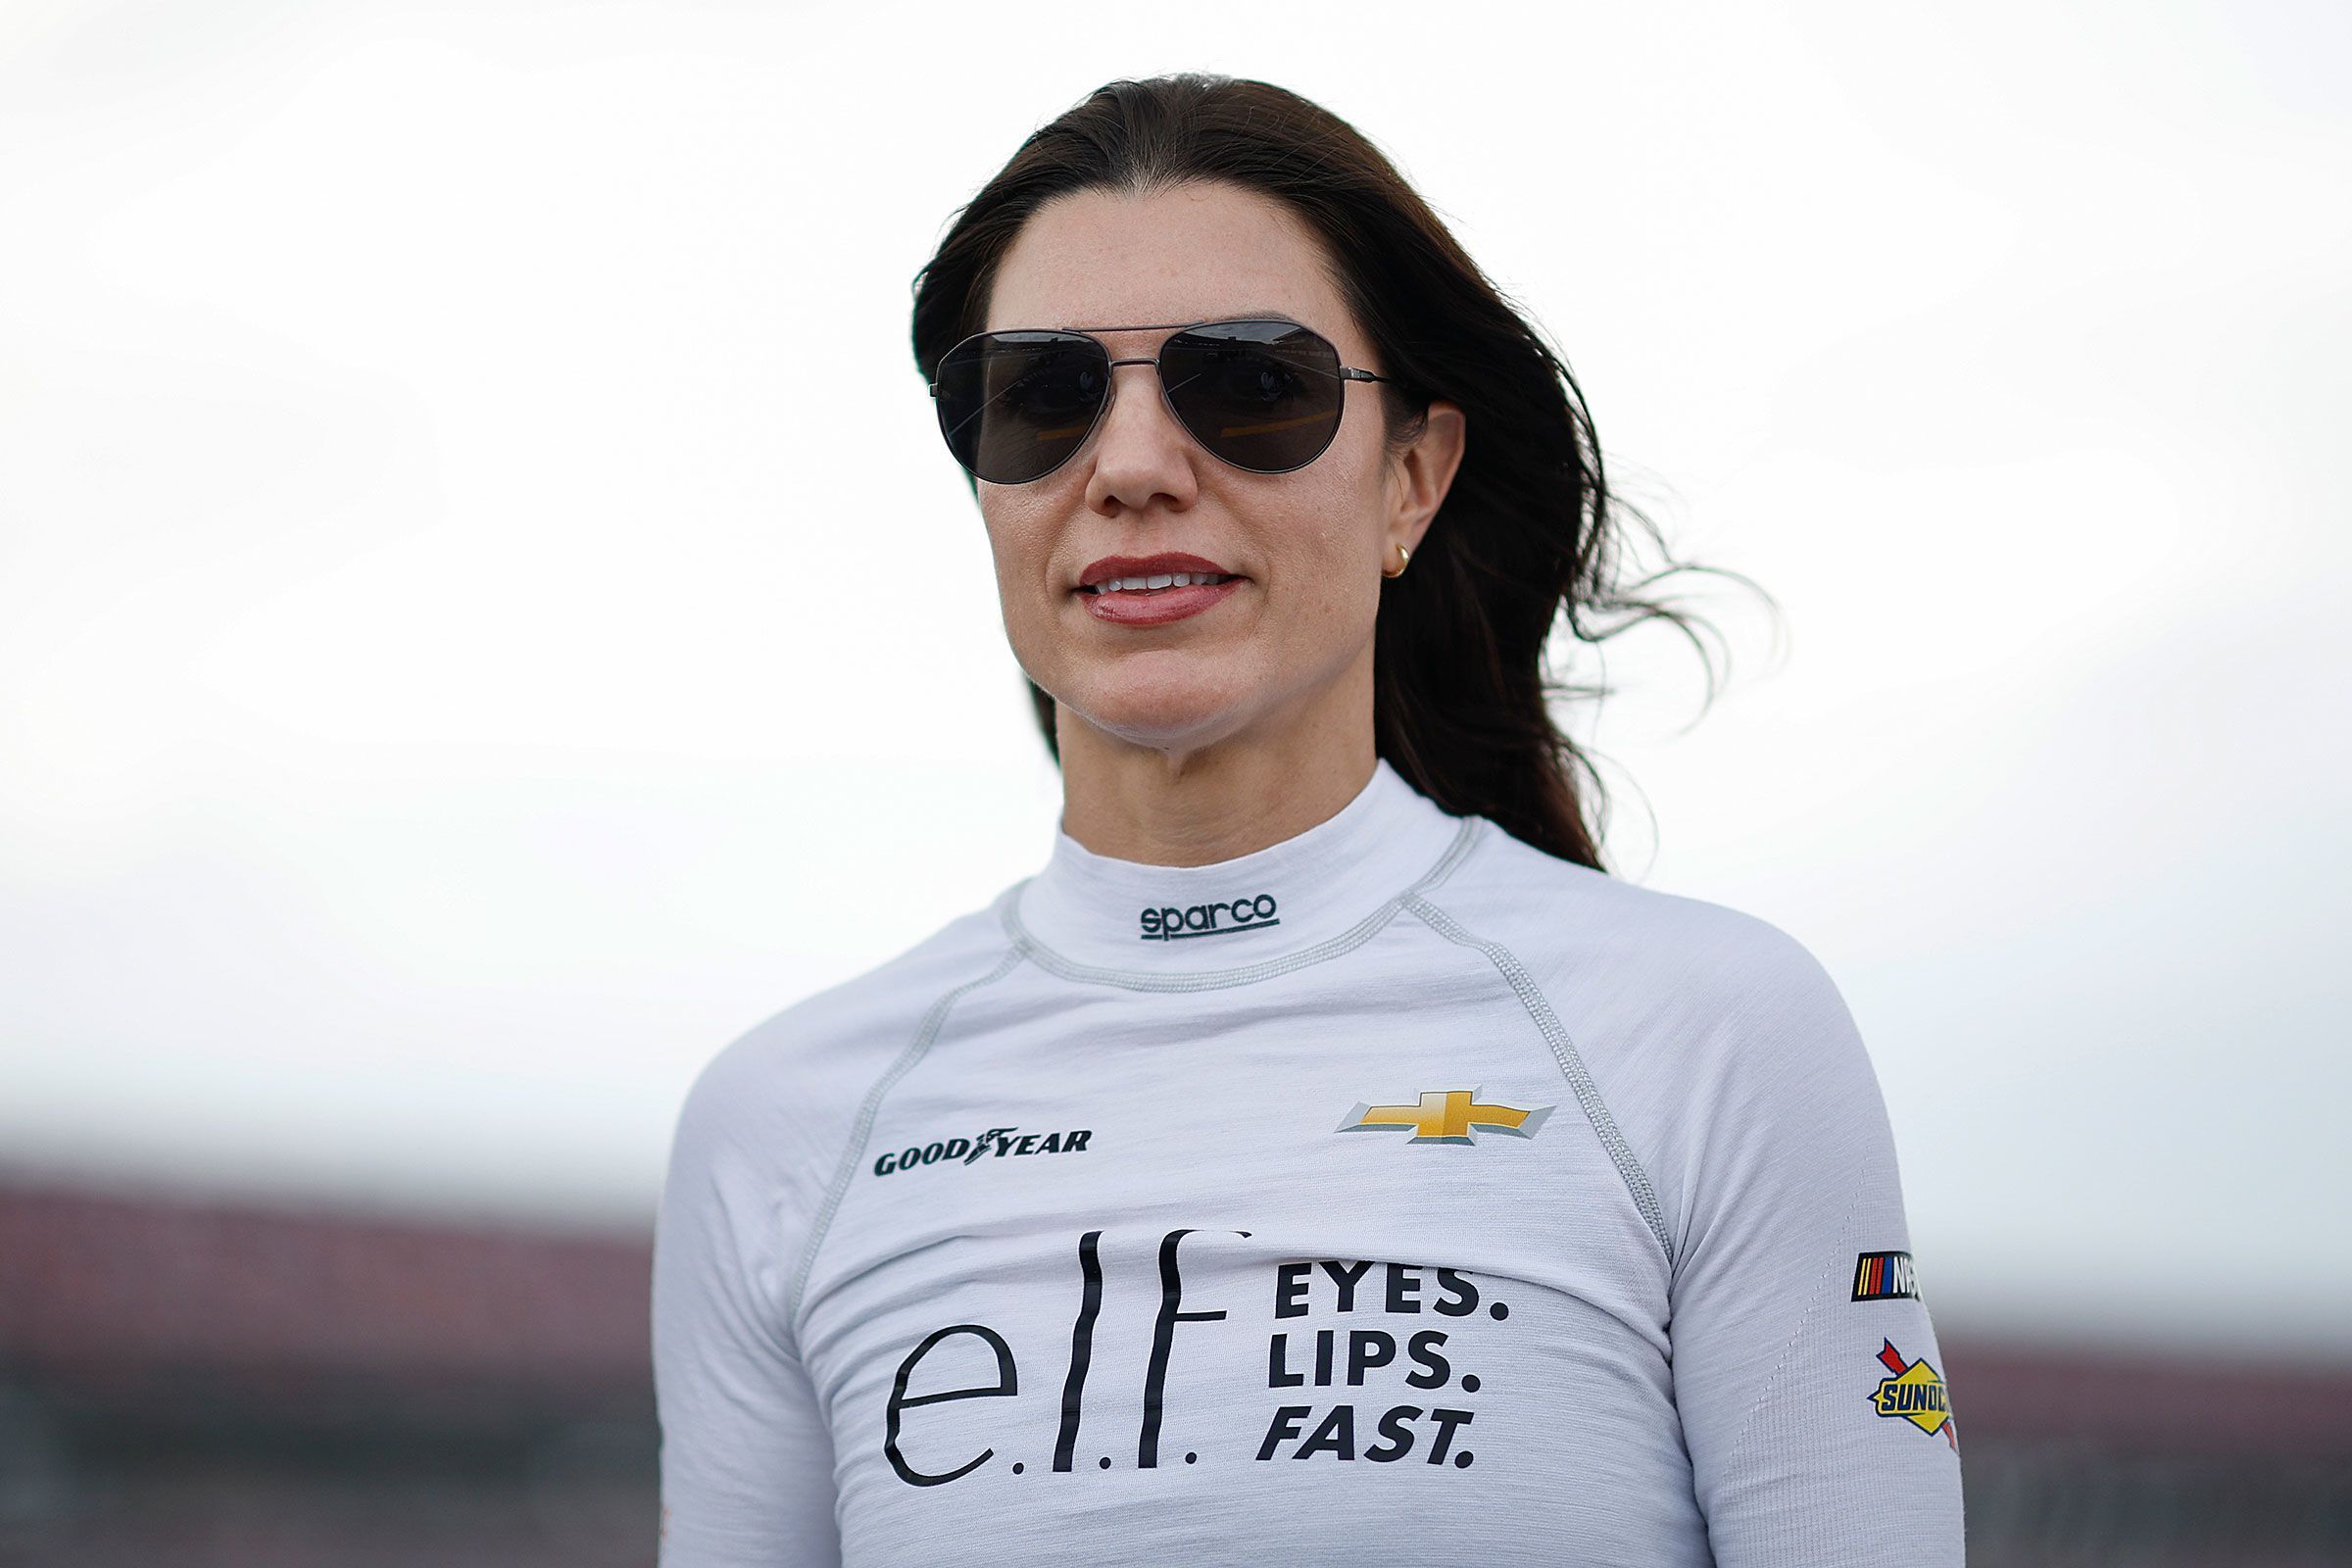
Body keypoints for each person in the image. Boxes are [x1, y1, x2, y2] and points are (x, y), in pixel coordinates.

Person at [651, 72, 1963, 1566]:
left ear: (1413, 478)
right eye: (1045, 397)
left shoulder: (1704, 1031)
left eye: (1251, 385)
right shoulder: (783, 1120)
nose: (1131, 469)